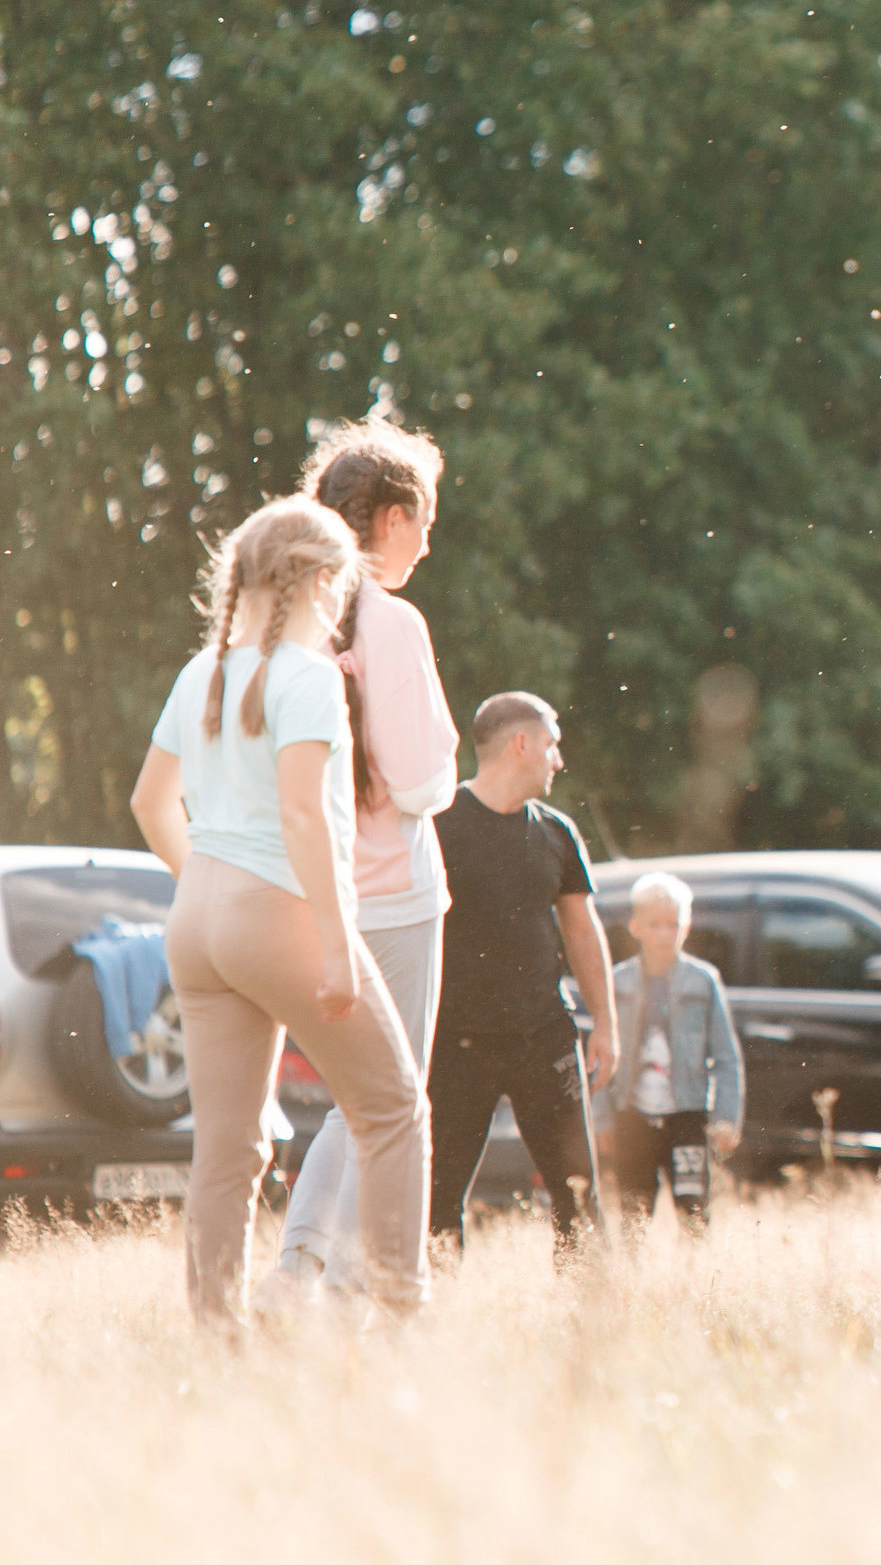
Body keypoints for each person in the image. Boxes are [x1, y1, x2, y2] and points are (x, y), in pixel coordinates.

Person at [128, 496, 430, 1327]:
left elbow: (150, 802)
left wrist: (211, 879)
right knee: (393, 1108)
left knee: (226, 1150)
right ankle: (404, 1321)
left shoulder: (202, 673)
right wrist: (336, 944)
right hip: (279, 912)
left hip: (200, 920)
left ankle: (217, 1337)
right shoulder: (309, 679)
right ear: (325, 580)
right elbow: (305, 818)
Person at [266, 411, 457, 1308]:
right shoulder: (395, 620)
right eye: (422, 517)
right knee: (389, 1106)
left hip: (315, 898)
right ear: (387, 519)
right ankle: (345, 1282)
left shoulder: (284, 622)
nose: (428, 538)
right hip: (399, 901)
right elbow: (419, 782)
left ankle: (297, 1266)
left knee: (353, 1095)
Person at [428, 692, 619, 1263]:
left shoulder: (557, 832)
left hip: (543, 1038)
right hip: (455, 1044)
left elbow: (583, 933)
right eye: (552, 745)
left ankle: (590, 1320)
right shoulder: (437, 824)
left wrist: (605, 1024)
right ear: (522, 744)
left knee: (576, 1192)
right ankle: (428, 1322)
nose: (558, 760)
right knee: (437, 1197)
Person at [603, 873, 744, 1233]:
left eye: (673, 924)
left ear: (687, 926)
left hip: (687, 1114)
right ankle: (631, 1284)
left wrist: (726, 1117)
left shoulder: (702, 980)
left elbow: (726, 1057)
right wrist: (601, 1119)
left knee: (693, 1208)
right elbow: (602, 1058)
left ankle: (696, 1282)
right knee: (633, 1211)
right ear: (635, 926)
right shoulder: (617, 983)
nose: (665, 934)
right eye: (654, 925)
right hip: (632, 1115)